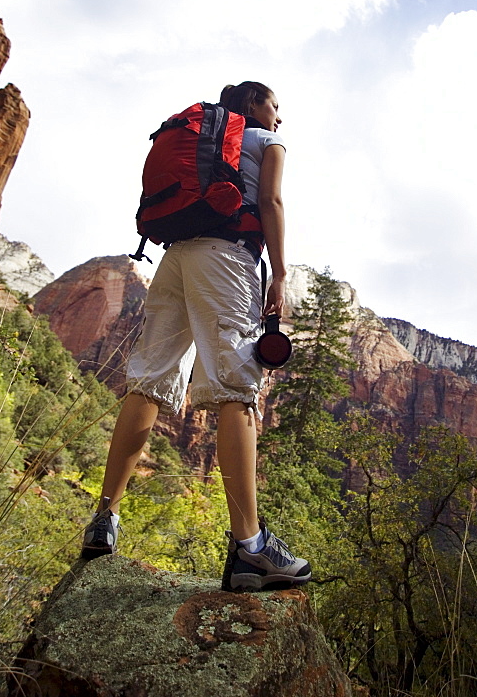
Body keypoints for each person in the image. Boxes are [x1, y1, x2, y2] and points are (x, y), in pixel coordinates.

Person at [81, 81, 311, 592]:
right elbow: (270, 200)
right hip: (227, 258)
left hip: (176, 256)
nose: (280, 119)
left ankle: (105, 519)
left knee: (149, 381)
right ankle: (249, 547)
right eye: (275, 106)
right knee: (236, 388)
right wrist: (279, 274)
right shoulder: (266, 143)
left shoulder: (209, 140)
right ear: (253, 104)